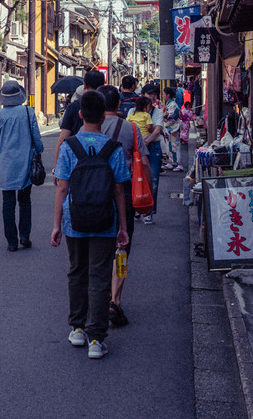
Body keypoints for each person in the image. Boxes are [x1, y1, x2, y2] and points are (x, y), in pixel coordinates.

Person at [50, 89, 130, 359]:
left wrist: (56, 225)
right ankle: (96, 339)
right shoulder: (113, 149)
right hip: (105, 221)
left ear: (81, 114)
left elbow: (62, 188)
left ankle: (77, 329)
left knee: (76, 272)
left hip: (74, 220)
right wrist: (123, 227)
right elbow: (119, 191)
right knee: (99, 276)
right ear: (105, 115)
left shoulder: (70, 146)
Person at [99, 86, 153, 329]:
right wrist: (148, 196)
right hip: (126, 192)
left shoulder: (89, 127)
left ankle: (98, 299)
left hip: (95, 195)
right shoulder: (131, 128)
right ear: (119, 103)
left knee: (99, 249)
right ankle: (115, 300)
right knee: (122, 246)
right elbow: (144, 161)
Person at [0, 80, 43, 251]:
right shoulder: (28, 111)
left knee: (8, 202)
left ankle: (11, 241)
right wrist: (38, 154)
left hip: (6, 164)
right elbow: (37, 139)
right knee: (25, 201)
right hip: (25, 162)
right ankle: (25, 236)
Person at [129, 83, 164, 224]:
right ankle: (137, 207)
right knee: (135, 179)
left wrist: (147, 141)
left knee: (153, 181)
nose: (153, 96)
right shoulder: (132, 110)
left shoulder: (158, 111)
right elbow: (129, 127)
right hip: (136, 148)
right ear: (143, 94)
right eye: (150, 94)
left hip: (153, 147)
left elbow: (157, 129)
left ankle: (148, 211)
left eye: (155, 94)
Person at [56, 69, 105, 154]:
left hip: (76, 155)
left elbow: (62, 139)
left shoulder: (74, 106)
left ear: (84, 85)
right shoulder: (106, 105)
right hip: (103, 155)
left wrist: (57, 165)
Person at [162, 87, 183, 172]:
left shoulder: (173, 104)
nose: (163, 96)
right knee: (169, 146)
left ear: (168, 95)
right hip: (169, 128)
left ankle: (179, 164)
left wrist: (165, 119)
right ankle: (171, 162)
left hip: (173, 128)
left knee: (175, 146)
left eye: (164, 94)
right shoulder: (169, 104)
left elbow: (173, 117)